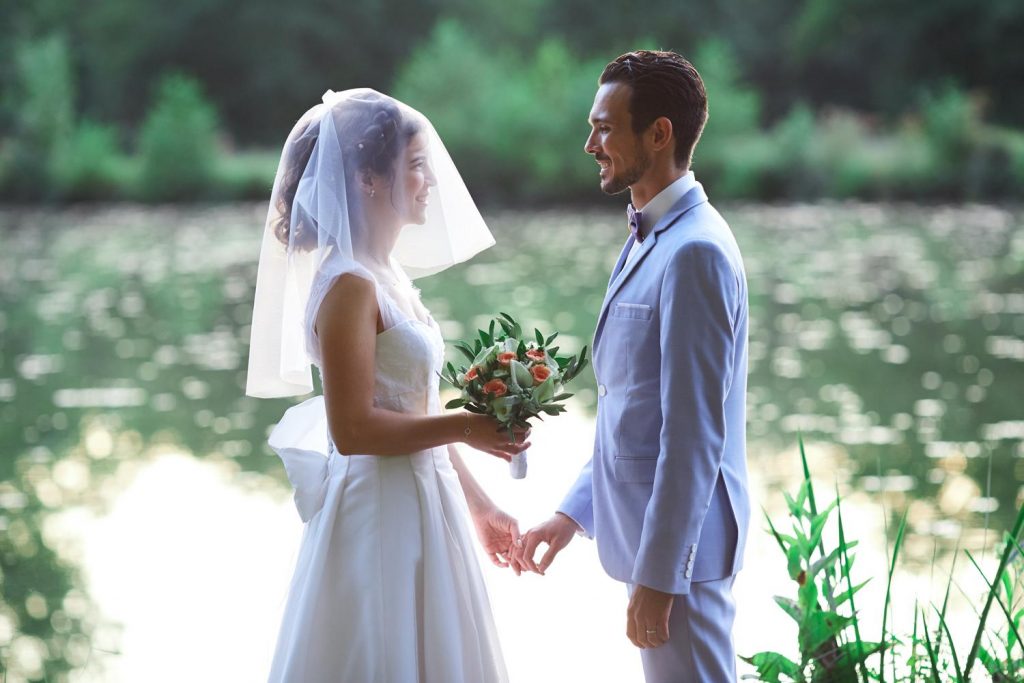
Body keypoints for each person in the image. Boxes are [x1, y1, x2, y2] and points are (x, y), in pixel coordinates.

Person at [245, 88, 525, 683]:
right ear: (369, 180)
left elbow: (411, 408)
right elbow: (352, 430)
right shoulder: (349, 285)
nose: (430, 181)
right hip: (377, 512)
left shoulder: (387, 273)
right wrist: (469, 426)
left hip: (429, 502)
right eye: (417, 166)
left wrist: (478, 505)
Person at [513, 50, 751, 682]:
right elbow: (635, 409)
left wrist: (660, 573)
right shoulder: (654, 234)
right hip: (651, 538)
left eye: (604, 127)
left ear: (659, 133)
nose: (590, 143)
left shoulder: (694, 251)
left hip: (682, 555)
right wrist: (572, 515)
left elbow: (694, 433)